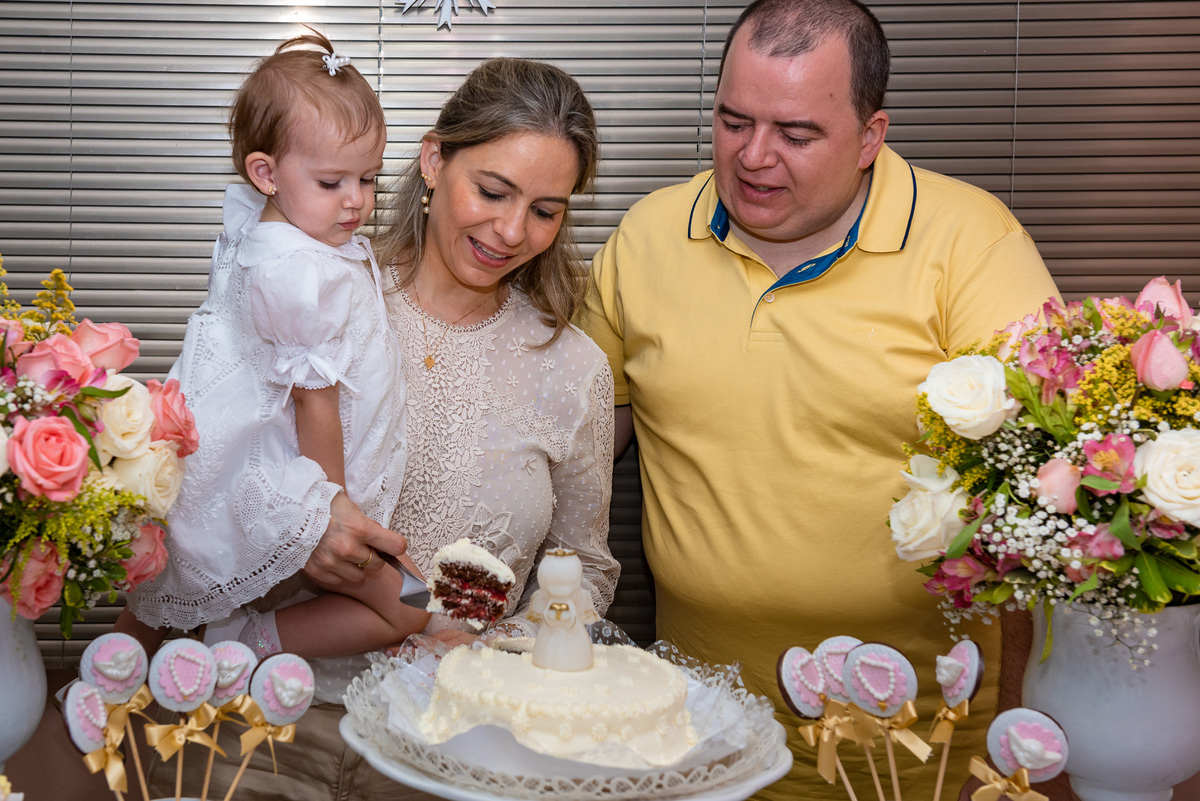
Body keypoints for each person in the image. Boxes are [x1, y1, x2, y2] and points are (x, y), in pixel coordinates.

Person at [577, 0, 1059, 797]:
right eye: (733, 121)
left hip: (918, 739)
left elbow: (1048, 491)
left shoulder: (972, 241)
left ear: (872, 135)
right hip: (695, 727)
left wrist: (1028, 730)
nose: (754, 157)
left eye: (796, 134)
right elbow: (575, 444)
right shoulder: (647, 237)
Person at [144, 56, 619, 801]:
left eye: (546, 208)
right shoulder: (321, 294)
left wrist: (489, 649)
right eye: (492, 190)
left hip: (457, 740)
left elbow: (585, 571)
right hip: (262, 720)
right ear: (433, 161)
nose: (511, 229)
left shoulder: (576, 370)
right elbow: (208, 465)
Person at [117, 31, 428, 662]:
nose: (357, 201)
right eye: (332, 181)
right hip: (290, 480)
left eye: (368, 178)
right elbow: (316, 404)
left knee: (167, 587)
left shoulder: (273, 227)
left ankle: (127, 673)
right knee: (409, 610)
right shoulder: (297, 274)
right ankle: (240, 647)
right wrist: (328, 512)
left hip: (239, 466)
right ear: (265, 173)